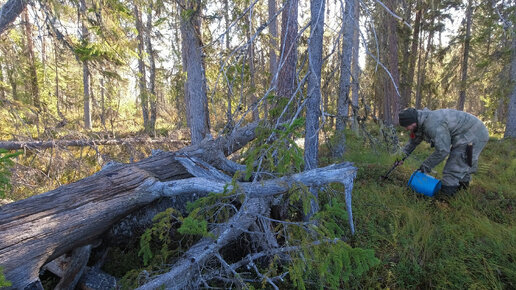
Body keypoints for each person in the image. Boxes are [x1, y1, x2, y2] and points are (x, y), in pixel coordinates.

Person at [398, 108, 489, 197]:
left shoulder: (433, 125)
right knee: (461, 166)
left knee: (453, 168)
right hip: (464, 134)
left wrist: (425, 166)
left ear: (413, 121)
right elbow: (412, 143)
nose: (406, 129)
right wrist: (400, 158)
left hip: (474, 133)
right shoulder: (419, 124)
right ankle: (461, 193)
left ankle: (446, 200)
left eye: (407, 126)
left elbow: (443, 151)